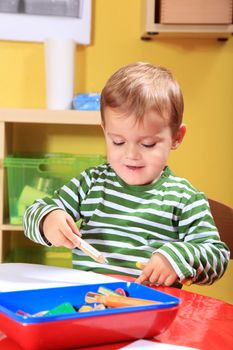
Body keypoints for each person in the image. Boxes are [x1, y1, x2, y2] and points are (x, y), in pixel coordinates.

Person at [23, 62, 230, 287]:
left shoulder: (185, 199)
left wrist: (178, 258)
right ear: (104, 131)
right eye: (118, 142)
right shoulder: (92, 183)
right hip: (90, 305)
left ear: (177, 137)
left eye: (148, 144)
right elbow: (33, 212)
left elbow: (217, 255)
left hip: (152, 312)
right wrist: (48, 219)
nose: (131, 155)